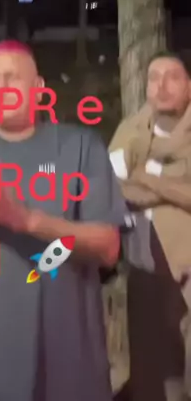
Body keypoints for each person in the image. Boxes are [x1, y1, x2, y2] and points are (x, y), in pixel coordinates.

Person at [0, 40, 124, 401]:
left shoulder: (81, 147)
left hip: (70, 366)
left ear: (39, 88)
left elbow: (108, 247)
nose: (1, 88)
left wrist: (30, 221)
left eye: (12, 78)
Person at [109, 51, 191, 401]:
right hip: (144, 268)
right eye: (154, 78)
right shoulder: (130, 131)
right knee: (153, 375)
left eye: (172, 77)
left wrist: (145, 177)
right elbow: (112, 187)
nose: (161, 86)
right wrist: (173, 189)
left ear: (189, 86)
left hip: (187, 267)